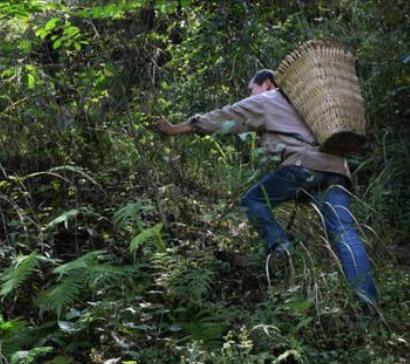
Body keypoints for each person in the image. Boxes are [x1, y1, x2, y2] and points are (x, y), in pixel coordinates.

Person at [156, 69, 378, 305]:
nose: (251, 95)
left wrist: (175, 129)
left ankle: (282, 249)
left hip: (303, 166)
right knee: (344, 233)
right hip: (336, 169)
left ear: (268, 84)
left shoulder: (268, 100)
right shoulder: (309, 103)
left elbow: (225, 116)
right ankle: (367, 301)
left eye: (252, 90)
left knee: (252, 201)